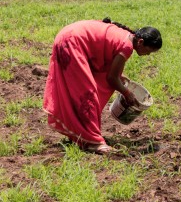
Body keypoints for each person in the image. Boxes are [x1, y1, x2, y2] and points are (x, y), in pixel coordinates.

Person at [43, 18, 162, 154]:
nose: (148, 55)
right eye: (149, 51)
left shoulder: (126, 36)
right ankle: (93, 142)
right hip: (72, 43)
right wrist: (127, 93)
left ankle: (80, 133)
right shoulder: (127, 46)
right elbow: (111, 78)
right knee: (87, 94)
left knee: (80, 91)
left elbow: (109, 65)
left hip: (67, 37)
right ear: (141, 42)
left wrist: (119, 77)